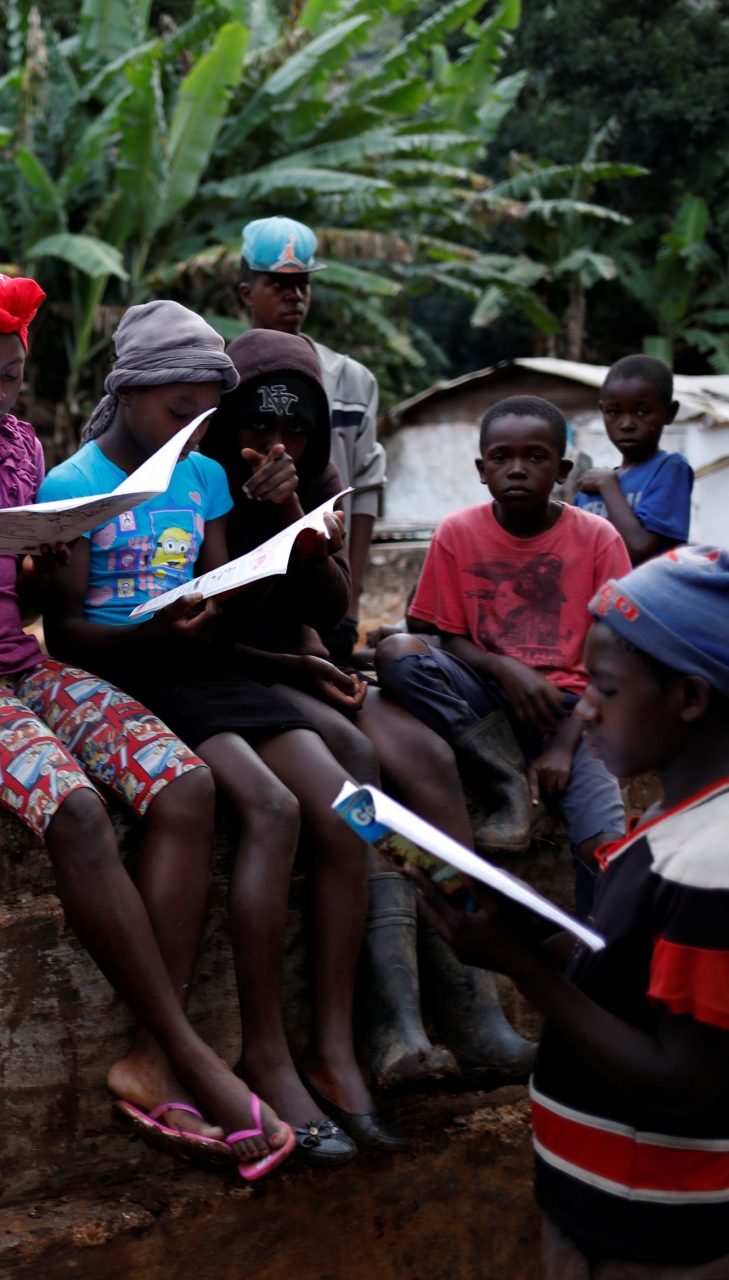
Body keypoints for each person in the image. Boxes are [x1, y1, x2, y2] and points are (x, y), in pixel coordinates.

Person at [0, 258, 292, 1179]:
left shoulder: (25, 453)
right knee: (73, 806)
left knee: (185, 785)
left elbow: (40, 602)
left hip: (13, 660)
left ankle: (153, 1059)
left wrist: (54, 555)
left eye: (11, 373)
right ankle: (187, 1050)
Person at [41, 298, 385, 1157]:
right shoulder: (75, 484)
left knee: (349, 803)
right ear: (125, 393)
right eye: (175, 410)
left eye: (203, 411)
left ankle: (335, 1048)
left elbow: (221, 593)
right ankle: (262, 1054)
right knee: (269, 810)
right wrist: (154, 633)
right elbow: (68, 632)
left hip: (207, 665)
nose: (192, 427)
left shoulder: (203, 478)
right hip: (134, 673)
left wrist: (289, 539)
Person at [417, 546, 729, 1280]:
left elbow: (682, 1084)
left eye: (607, 688)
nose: (581, 706)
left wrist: (521, 964)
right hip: (603, 1208)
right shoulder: (672, 824)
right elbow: (629, 982)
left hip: (648, 1234)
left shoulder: (718, 863)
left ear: (688, 698)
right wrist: (533, 929)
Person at [206, 329, 533, 1093]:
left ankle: (467, 996)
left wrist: (298, 512)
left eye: (295, 428)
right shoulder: (200, 482)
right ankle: (392, 1022)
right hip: (242, 669)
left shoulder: (314, 478)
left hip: (311, 657)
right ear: (228, 420)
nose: (276, 443)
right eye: (259, 426)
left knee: (425, 759)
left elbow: (335, 604)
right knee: (361, 774)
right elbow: (215, 618)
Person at [376, 395, 631, 918]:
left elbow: (620, 659)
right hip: (486, 702)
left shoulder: (598, 538)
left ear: (561, 470)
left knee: (603, 849)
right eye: (501, 458)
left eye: (536, 457)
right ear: (481, 469)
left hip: (574, 713)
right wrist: (504, 667)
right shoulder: (458, 532)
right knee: (397, 652)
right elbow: (439, 635)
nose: (517, 469)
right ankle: (505, 776)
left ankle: (596, 967)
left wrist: (564, 745)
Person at [237, 215, 386, 662]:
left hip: (322, 569)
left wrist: (352, 601)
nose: (294, 294)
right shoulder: (230, 375)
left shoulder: (352, 380)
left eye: (303, 283)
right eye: (279, 283)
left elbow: (364, 490)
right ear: (247, 293)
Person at [574, 355, 692, 565]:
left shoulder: (670, 469)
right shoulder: (589, 489)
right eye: (614, 412)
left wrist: (607, 484)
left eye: (642, 412)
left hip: (646, 597)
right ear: (603, 412)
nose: (626, 424)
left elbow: (639, 547)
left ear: (669, 413)